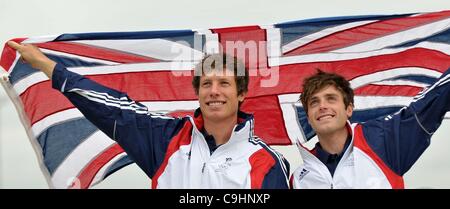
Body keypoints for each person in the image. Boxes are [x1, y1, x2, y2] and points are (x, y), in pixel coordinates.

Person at [7, 41, 290, 189]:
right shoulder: (165, 139)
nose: (214, 91)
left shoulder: (267, 162)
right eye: (207, 84)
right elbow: (110, 106)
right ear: (198, 92)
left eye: (224, 84)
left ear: (241, 94)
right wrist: (47, 66)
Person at [291, 68, 450, 189]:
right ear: (309, 118)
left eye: (331, 99)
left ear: (349, 109)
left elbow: (430, 104)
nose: (322, 106)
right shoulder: (297, 179)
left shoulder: (382, 140)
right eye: (314, 102)